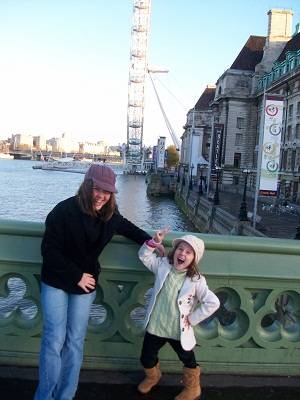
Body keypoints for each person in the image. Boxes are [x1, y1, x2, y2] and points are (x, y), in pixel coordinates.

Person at [34, 164, 152, 400]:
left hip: (85, 286)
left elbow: (129, 229)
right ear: (87, 186)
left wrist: (152, 241)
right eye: (97, 189)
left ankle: (66, 395)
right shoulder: (63, 211)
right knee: (54, 340)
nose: (101, 196)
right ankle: (45, 396)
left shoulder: (110, 216)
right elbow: (49, 251)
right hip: (58, 280)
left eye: (107, 192)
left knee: (75, 342)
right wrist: (76, 275)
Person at [137, 229, 220, 400]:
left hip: (178, 330)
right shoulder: (162, 266)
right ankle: (153, 376)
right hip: (156, 325)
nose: (183, 253)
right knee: (146, 357)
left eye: (188, 252)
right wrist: (154, 242)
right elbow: (144, 257)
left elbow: (213, 302)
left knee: (188, 360)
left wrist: (192, 319)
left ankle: (193, 388)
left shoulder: (197, 280)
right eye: (180, 249)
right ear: (174, 253)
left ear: (193, 259)